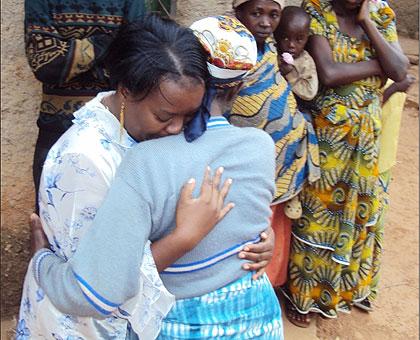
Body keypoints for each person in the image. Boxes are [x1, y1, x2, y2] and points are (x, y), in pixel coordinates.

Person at [18, 15, 274, 340]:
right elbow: (97, 286)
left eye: (191, 115)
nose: (178, 130)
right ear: (125, 91)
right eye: (165, 116)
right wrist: (185, 238)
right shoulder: (85, 159)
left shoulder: (147, 141)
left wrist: (254, 237)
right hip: (82, 326)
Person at [282, 0, 409, 327]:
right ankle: (305, 296)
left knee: (359, 213)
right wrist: (379, 65)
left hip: (367, 139)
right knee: (317, 215)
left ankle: (341, 292)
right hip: (327, 138)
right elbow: (328, 73)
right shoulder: (316, 10)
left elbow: (399, 69)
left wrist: (368, 23)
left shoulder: (380, 13)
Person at [25, 0, 157, 212]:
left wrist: (74, 54)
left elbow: (139, 58)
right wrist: (110, 43)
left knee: (116, 219)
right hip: (57, 132)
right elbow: (45, 63)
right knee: (50, 219)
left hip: (119, 132)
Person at [229, 0, 321, 293]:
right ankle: (246, 289)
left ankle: (269, 288)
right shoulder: (228, 55)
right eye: (256, 13)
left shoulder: (271, 52)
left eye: (273, 15)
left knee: (275, 227)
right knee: (246, 228)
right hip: (246, 166)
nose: (266, 23)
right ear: (238, 13)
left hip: (284, 160)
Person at [353, 74, 415, 311]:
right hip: (367, 155)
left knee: (374, 223)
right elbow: (365, 109)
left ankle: (367, 289)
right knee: (363, 221)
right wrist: (393, 89)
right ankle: (358, 287)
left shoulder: (395, 70)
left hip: (382, 159)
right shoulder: (374, 71)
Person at [273, 5, 319, 221]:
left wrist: (290, 74)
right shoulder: (271, 53)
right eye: (285, 38)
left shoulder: (306, 61)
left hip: (298, 111)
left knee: (300, 147)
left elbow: (310, 92)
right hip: (275, 110)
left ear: (306, 39)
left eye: (298, 39)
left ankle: (294, 193)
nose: (291, 45)